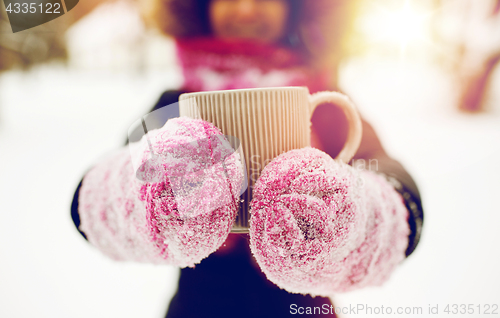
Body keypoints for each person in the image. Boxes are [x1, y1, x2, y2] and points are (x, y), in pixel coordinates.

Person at [71, 0, 424, 317]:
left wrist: (353, 215)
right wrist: (149, 201)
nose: (245, 9)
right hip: (199, 307)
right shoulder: (177, 103)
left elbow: (393, 184)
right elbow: (96, 198)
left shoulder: (323, 105)